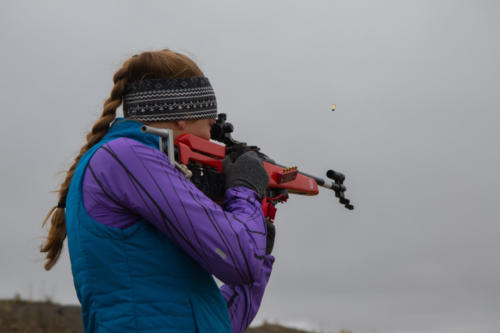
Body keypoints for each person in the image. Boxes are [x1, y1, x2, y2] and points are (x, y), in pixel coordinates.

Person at [40, 49, 275, 333]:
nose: (211, 138)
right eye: (210, 125)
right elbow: (239, 259)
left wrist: (259, 240)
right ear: (182, 116)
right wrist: (245, 192)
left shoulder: (128, 161)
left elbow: (214, 322)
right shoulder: (126, 156)